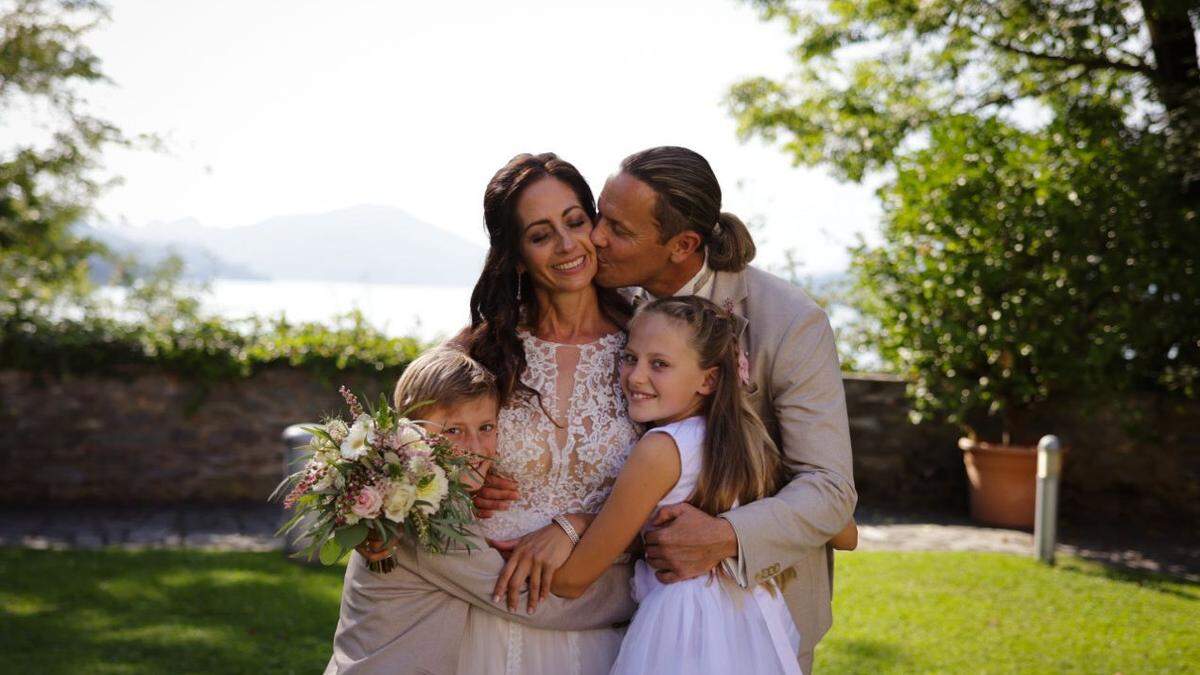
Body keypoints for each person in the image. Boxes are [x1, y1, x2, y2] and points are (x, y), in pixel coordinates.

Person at [475, 146, 857, 672]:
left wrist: (724, 536)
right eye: (601, 215)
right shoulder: (608, 297)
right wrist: (470, 470)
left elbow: (831, 490)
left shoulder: (789, 322)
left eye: (620, 230)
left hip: (758, 613)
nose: (596, 237)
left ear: (682, 245)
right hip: (636, 612)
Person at [324, 344, 633, 675]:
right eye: (453, 431)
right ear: (411, 432)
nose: (474, 448)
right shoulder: (423, 512)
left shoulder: (408, 487)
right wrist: (639, 588)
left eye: (486, 427)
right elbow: (525, 599)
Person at [452, 151, 641, 674]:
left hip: (606, 618)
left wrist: (579, 523)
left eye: (575, 221)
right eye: (540, 234)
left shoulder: (647, 343)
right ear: (515, 256)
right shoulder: (479, 353)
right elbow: (411, 452)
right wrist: (457, 483)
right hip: (486, 614)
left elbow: (695, 474)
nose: (566, 245)